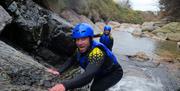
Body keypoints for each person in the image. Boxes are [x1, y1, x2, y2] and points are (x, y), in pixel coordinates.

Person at [47, 23, 123, 91]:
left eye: (83, 39)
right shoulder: (79, 50)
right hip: (100, 71)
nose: (79, 43)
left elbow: (88, 76)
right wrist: (59, 71)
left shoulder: (97, 52)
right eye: (77, 39)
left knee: (95, 89)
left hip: (113, 72)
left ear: (90, 39)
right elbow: (71, 60)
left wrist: (64, 86)